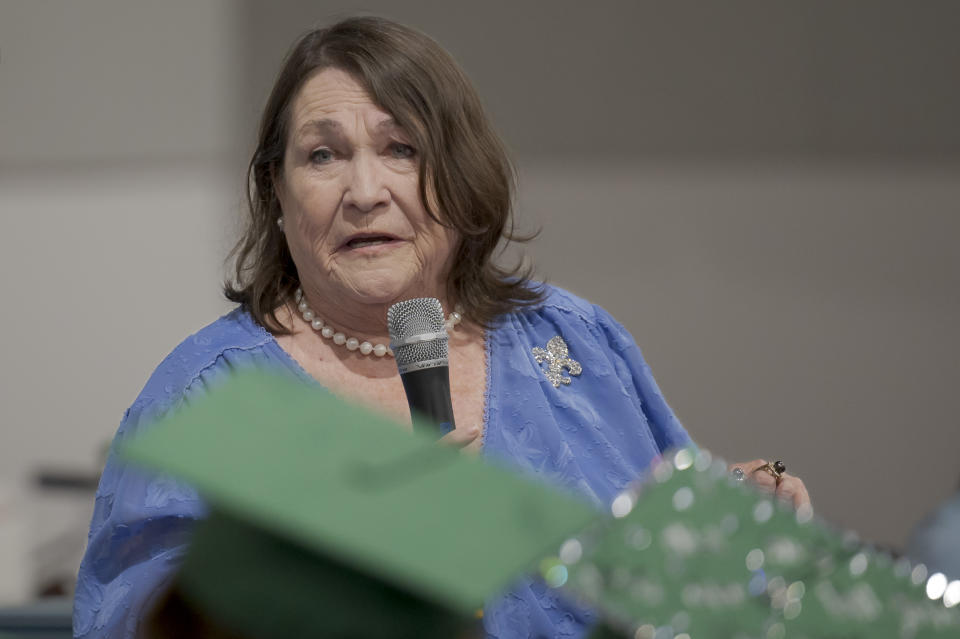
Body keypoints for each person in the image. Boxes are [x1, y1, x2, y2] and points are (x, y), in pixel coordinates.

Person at [73, 16, 810, 639]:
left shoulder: (576, 340)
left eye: (402, 149)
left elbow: (682, 579)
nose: (366, 192)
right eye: (323, 155)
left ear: (458, 172)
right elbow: (131, 620)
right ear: (276, 192)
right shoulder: (205, 398)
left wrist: (742, 528)